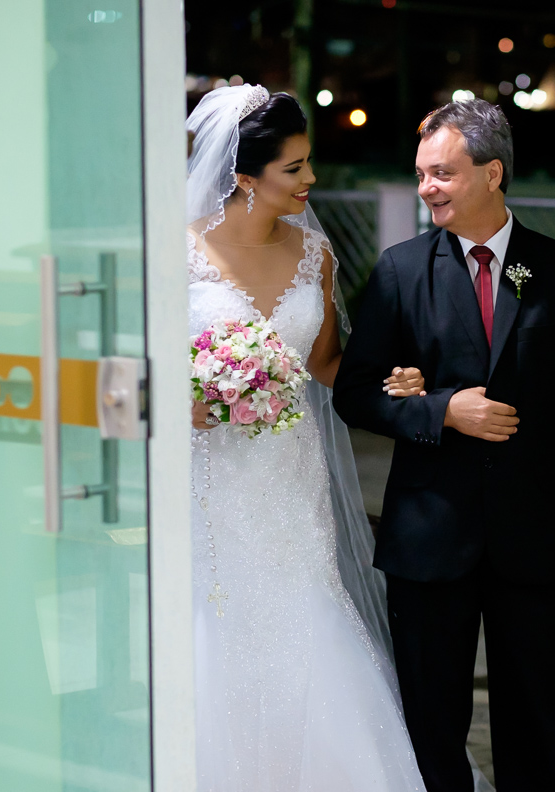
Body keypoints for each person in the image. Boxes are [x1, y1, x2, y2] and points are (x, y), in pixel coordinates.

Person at [334, 99, 555, 792]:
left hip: (533, 534)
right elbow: (354, 392)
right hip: (429, 537)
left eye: (442, 173)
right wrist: (442, 411)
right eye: (421, 174)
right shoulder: (402, 270)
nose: (426, 187)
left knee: (536, 714)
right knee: (430, 719)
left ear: (492, 174)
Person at [186, 84, 433, 791]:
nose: (311, 181)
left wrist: (393, 383)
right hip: (208, 474)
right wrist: (186, 403)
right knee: (215, 615)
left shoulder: (314, 254)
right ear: (244, 177)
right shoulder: (174, 253)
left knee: (304, 610)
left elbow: (325, 363)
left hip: (290, 477)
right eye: (294, 169)